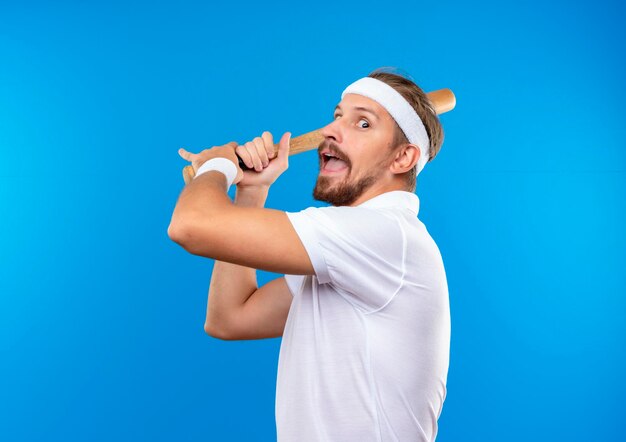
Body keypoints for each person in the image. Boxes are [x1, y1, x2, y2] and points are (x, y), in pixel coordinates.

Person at [169, 68, 451, 442]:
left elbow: (190, 225)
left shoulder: (384, 236)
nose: (330, 131)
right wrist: (250, 193)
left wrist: (218, 166)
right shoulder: (348, 255)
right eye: (337, 116)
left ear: (402, 158)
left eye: (363, 123)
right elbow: (231, 318)